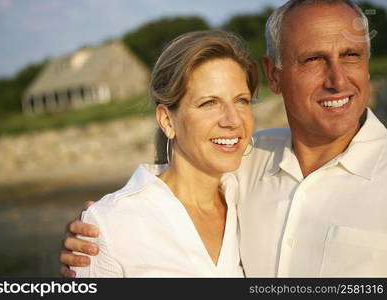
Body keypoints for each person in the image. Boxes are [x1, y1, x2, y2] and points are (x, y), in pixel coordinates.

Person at [61, 0, 387, 278]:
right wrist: (103, 227)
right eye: (313, 59)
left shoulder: (236, 170)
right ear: (274, 74)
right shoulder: (246, 163)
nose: (337, 79)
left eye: (351, 56)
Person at [66, 30, 259, 277]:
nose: (233, 120)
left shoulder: (250, 194)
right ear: (167, 120)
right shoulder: (111, 222)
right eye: (209, 103)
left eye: (241, 100)